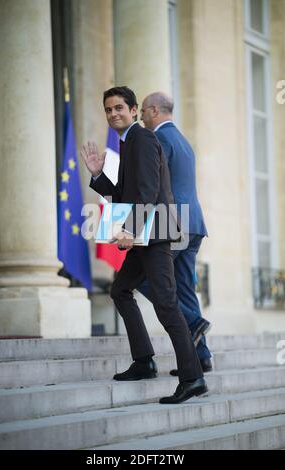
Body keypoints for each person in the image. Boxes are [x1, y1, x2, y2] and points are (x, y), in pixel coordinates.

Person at [80, 86, 207, 404]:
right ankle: (144, 361)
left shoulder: (145, 139)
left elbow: (149, 190)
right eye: (108, 110)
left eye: (119, 108)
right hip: (146, 234)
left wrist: (130, 231)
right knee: (120, 289)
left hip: (156, 234)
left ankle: (193, 379)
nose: (113, 114)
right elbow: (125, 194)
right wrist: (98, 175)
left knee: (167, 305)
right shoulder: (130, 143)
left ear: (134, 110)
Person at [139, 91, 212, 375]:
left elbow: (153, 187)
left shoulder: (158, 139)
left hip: (172, 223)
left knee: (146, 277)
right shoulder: (183, 141)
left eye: (143, 110)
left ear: (154, 110)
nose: (141, 115)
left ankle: (194, 322)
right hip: (194, 224)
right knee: (183, 288)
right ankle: (201, 358)